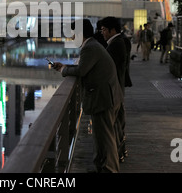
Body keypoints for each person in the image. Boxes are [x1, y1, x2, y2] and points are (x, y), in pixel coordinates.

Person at [52, 19, 123, 173]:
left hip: (103, 99)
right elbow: (85, 67)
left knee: (106, 139)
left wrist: (63, 71)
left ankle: (110, 169)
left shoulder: (89, 48)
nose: (71, 38)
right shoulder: (92, 46)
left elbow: (81, 71)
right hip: (105, 97)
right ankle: (102, 167)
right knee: (102, 138)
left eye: (72, 34)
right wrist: (65, 66)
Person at [100, 17, 131, 162]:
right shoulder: (120, 41)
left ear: (113, 30)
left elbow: (106, 67)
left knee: (115, 123)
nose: (102, 33)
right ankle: (121, 151)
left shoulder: (116, 44)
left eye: (104, 30)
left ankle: (117, 155)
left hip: (114, 88)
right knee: (118, 122)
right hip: (118, 86)